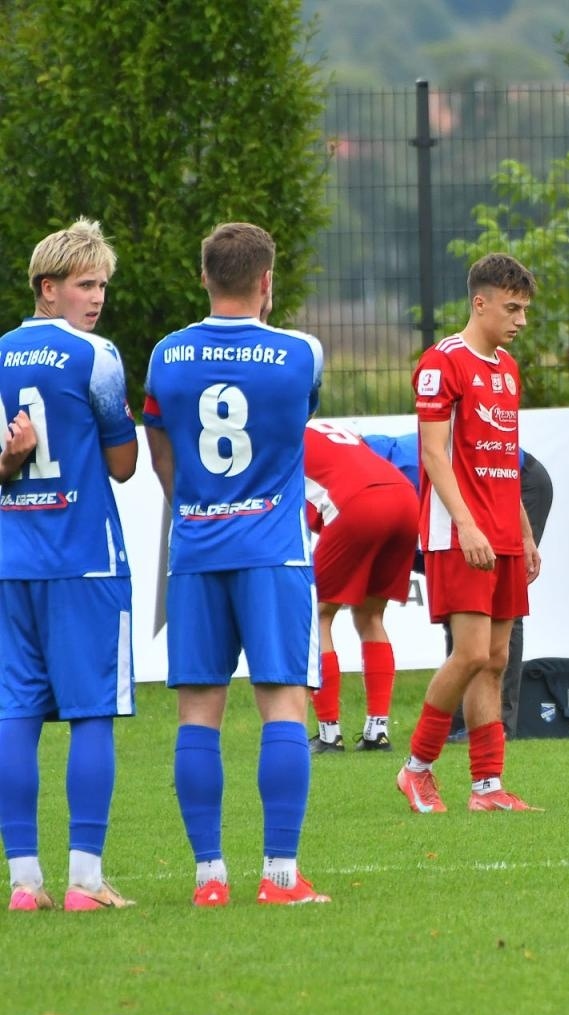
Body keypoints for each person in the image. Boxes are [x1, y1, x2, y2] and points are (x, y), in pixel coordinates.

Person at [144, 222, 330, 905]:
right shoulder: (301, 354)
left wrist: (196, 503)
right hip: (273, 551)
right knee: (281, 699)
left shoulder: (167, 355)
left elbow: (162, 451)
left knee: (198, 711)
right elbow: (295, 423)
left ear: (204, 277)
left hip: (195, 548)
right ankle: (280, 875)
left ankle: (209, 878)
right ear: (266, 282)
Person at [0, 219, 139, 912]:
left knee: (14, 715)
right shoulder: (98, 356)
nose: (98, 297)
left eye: (103, 284)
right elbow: (123, 464)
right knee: (92, 715)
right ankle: (85, 880)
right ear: (47, 288)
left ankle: (24, 884)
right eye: (86, 284)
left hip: (11, 562)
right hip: (85, 562)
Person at [395, 253, 542, 814]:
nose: (520, 320)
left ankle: (487, 786)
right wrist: (466, 524)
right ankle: (416, 768)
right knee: (471, 652)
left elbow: (507, 460)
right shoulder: (442, 363)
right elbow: (433, 455)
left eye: (524, 309)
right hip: (460, 533)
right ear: (479, 302)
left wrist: (524, 534)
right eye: (512, 308)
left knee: (497, 658)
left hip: (503, 532)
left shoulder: (506, 369)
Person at [363, 431, 552, 739]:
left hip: (519, 483)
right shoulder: (374, 463)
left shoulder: (398, 472)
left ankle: (496, 724)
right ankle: (462, 718)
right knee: (462, 604)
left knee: (498, 605)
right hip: (479, 495)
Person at [303, 420, 420, 754]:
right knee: (371, 616)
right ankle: (377, 731)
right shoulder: (324, 427)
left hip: (359, 503)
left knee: (318, 616)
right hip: (403, 498)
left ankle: (328, 734)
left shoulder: (276, 438)